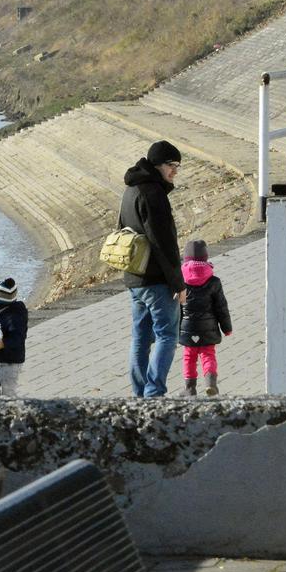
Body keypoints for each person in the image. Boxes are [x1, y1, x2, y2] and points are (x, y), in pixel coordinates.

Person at [120, 140, 185, 398]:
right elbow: (164, 243)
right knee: (168, 335)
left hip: (134, 278)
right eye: (172, 165)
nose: (175, 171)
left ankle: (139, 393)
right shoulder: (153, 193)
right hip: (157, 280)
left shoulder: (131, 190)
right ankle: (154, 393)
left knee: (140, 339)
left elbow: (122, 230)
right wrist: (179, 284)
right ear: (158, 164)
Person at [179, 240, 233, 396]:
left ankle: (190, 388)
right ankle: (211, 384)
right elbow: (221, 307)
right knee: (208, 355)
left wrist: (176, 329)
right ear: (205, 258)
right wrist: (227, 328)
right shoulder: (214, 282)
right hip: (208, 328)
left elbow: (177, 309)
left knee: (189, 356)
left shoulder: (181, 282)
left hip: (187, 328)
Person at [0, 277, 28, 397]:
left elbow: (18, 338)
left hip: (11, 363)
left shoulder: (15, 317)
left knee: (8, 391)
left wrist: (2, 344)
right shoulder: (0, 314)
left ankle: (12, 410)